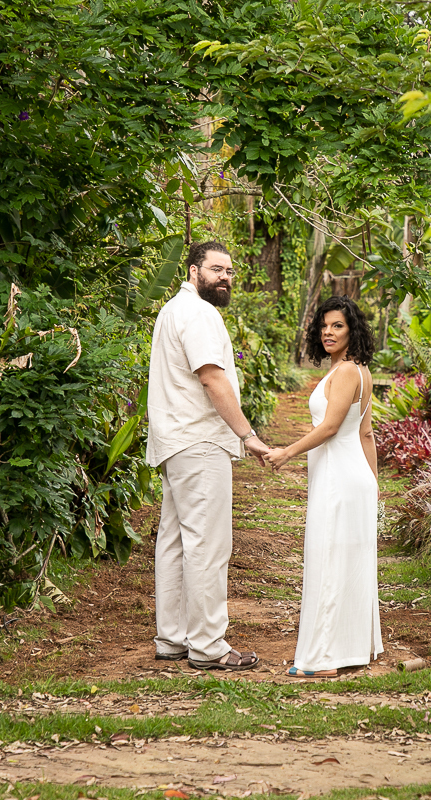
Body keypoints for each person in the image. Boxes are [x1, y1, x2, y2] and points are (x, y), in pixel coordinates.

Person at [145, 240, 270, 671]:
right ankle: (208, 646)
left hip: (176, 443)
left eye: (230, 271)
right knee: (208, 546)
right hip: (199, 443)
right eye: (216, 269)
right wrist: (248, 435)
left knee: (176, 544)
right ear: (194, 271)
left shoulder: (171, 310)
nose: (225, 278)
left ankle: (173, 639)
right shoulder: (198, 313)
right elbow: (212, 380)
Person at [266, 295, 383, 677]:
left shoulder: (347, 372)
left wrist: (287, 452)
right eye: (324, 326)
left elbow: (331, 428)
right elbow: (366, 434)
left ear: (353, 332)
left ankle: (326, 659)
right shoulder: (358, 371)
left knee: (330, 561)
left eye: (338, 326)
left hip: (338, 479)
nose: (328, 332)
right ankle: (348, 649)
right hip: (353, 478)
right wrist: (373, 484)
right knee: (344, 562)